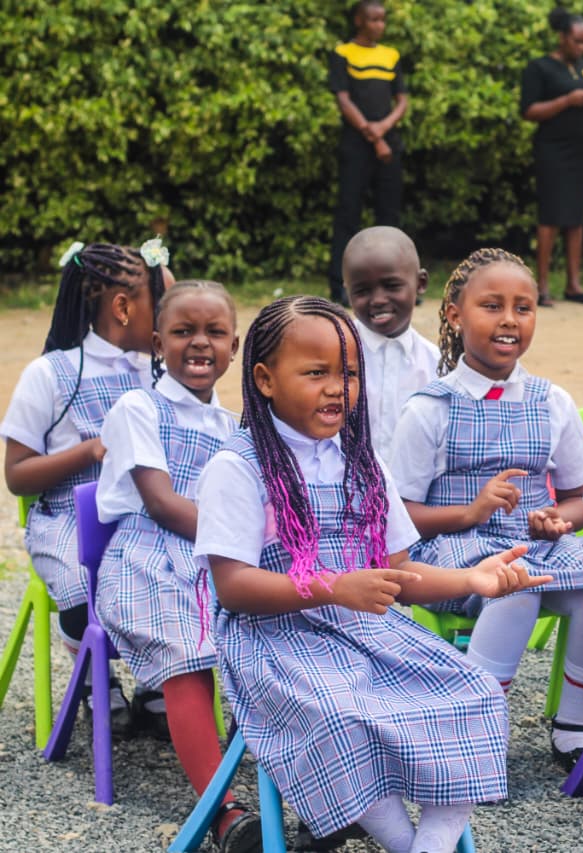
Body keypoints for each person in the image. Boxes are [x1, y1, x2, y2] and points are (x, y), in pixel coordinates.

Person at [195, 296, 549, 853]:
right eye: (316, 373)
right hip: (272, 639)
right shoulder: (237, 466)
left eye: (349, 373)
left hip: (365, 629)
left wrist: (470, 581)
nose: (338, 388)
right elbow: (234, 587)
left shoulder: (364, 462)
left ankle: (424, 847)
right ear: (264, 379)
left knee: (475, 691)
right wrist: (333, 586)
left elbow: (399, 571)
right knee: (340, 716)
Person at [390, 249, 583, 772]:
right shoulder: (430, 408)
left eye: (523, 307)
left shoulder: (550, 401)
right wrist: (469, 512)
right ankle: (478, 728)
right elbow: (397, 513)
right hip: (451, 549)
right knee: (514, 586)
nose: (510, 319)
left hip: (537, 545)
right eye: (492, 306)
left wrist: (560, 519)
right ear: (455, 315)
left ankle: (574, 728)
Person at [94, 281, 256, 851]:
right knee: (187, 651)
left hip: (213, 560)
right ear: (158, 343)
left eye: (214, 333)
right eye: (184, 332)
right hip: (145, 560)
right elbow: (161, 503)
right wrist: (240, 543)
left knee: (281, 631)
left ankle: (313, 788)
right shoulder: (138, 407)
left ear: (234, 346)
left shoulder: (238, 426)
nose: (199, 344)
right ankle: (222, 813)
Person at [1, 240, 169, 735]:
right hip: (67, 522)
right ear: (123, 308)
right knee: (82, 586)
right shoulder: (50, 373)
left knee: (180, 572)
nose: (171, 322)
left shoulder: (158, 372)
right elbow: (16, 475)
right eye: (163, 310)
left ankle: (161, 679)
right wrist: (89, 450)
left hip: (142, 519)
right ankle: (98, 679)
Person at [519, 7, 583, 307]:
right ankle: (541, 287)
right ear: (562, 37)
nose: (582, 48)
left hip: (581, 150)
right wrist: (567, 100)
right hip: (552, 150)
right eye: (577, 41)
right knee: (550, 218)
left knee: (576, 218)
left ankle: (574, 284)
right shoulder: (539, 68)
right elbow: (529, 111)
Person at [327, 0, 408, 306]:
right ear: (359, 21)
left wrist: (384, 128)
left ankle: (395, 285)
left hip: (389, 144)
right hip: (357, 147)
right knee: (348, 214)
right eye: (373, 20)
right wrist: (374, 137)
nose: (379, 25)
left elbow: (401, 100)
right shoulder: (342, 53)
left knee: (389, 216)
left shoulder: (391, 55)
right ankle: (341, 284)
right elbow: (344, 100)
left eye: (382, 20)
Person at [344, 226, 440, 459]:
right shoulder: (335, 354)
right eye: (362, 290)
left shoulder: (436, 364)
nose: (377, 300)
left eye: (392, 286)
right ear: (347, 293)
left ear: (420, 283)